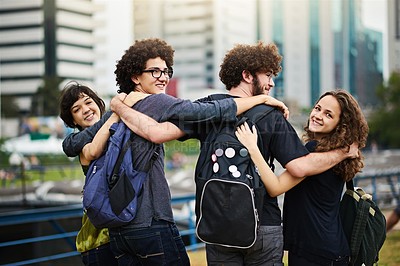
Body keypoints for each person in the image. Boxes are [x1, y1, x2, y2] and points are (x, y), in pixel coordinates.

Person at [104, 42, 359, 265]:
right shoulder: (272, 115)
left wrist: (118, 106)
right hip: (263, 225)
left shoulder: (207, 109)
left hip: (217, 225)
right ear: (247, 75)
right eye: (268, 75)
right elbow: (300, 167)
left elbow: (156, 132)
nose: (271, 83)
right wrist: (342, 152)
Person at [61, 38, 286, 266]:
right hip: (152, 222)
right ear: (135, 77)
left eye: (166, 70)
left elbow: (71, 144)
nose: (163, 77)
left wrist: (117, 107)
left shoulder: (118, 110)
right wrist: (262, 99)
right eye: (154, 71)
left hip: (119, 233)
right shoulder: (154, 102)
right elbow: (210, 110)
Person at [236, 89, 368, 265]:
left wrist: (253, 148)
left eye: (328, 114)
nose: (318, 115)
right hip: (329, 247)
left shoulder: (315, 151)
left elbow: (275, 187)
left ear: (340, 125)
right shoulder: (333, 154)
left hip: (314, 251)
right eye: (317, 108)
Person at [59, 82, 119, 265]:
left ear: (98, 103)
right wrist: (116, 113)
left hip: (121, 233)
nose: (85, 110)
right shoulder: (81, 145)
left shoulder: (117, 128)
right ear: (73, 121)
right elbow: (93, 152)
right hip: (98, 239)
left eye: (88, 102)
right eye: (77, 109)